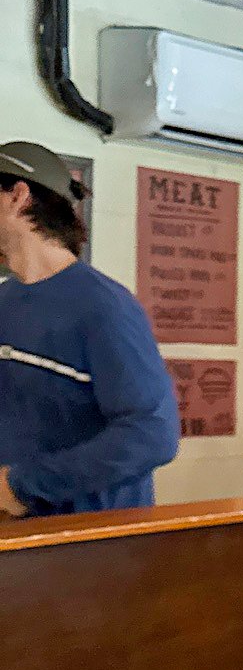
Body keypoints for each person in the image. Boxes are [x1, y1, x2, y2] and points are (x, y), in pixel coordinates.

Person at [0, 138, 179, 519]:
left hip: (88, 553)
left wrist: (24, 486)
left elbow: (152, 434)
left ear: (17, 196)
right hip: (16, 548)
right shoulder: (4, 301)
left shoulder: (104, 308)